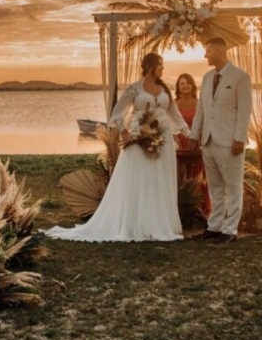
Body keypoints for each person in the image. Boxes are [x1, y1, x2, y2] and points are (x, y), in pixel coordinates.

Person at [44, 52, 190, 242]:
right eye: (160, 65)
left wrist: (190, 134)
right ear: (149, 66)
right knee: (140, 179)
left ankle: (159, 223)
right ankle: (135, 223)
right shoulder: (135, 89)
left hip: (163, 141)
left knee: (158, 181)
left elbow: (175, 116)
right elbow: (117, 113)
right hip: (138, 138)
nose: (163, 68)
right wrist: (126, 133)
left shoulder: (165, 90)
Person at [188, 37, 252, 243]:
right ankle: (214, 226)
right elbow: (201, 111)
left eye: (208, 51)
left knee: (233, 186)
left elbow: (244, 110)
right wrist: (193, 135)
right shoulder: (207, 78)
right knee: (214, 186)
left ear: (220, 51)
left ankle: (230, 230)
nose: (205, 55)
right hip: (208, 140)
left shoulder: (240, 77)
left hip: (230, 141)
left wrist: (239, 139)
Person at [175, 72, 210, 217]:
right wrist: (175, 140)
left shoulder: (199, 103)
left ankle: (202, 207)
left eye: (187, 82)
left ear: (192, 85)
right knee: (181, 175)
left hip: (198, 142)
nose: (185, 86)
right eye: (181, 83)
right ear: (178, 87)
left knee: (199, 175)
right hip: (180, 142)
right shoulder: (174, 103)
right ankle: (183, 207)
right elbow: (170, 123)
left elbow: (205, 121)